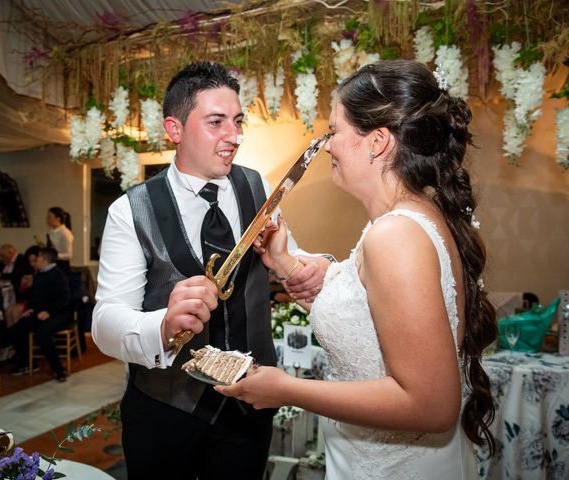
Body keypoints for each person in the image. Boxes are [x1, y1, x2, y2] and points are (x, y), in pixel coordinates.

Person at [217, 60, 497, 479]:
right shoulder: (408, 218)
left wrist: (285, 388)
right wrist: (286, 264)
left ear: (377, 142)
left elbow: (432, 405)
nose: (327, 145)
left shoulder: (394, 236)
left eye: (335, 131)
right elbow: (372, 306)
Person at [92, 61, 330, 480]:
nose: (234, 137)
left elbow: (284, 252)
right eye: (216, 122)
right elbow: (105, 321)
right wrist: (162, 326)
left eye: (238, 122)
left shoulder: (256, 186)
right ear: (174, 129)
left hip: (247, 407)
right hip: (164, 412)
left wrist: (313, 267)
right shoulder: (130, 210)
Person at [7, 247, 70, 381]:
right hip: (39, 313)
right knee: (15, 330)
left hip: (58, 314)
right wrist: (30, 309)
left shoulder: (58, 274)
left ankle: (59, 370)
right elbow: (34, 297)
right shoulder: (39, 275)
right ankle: (28, 363)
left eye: (38, 258)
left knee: (43, 332)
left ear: (45, 260)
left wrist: (49, 312)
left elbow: (64, 299)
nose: (36, 261)